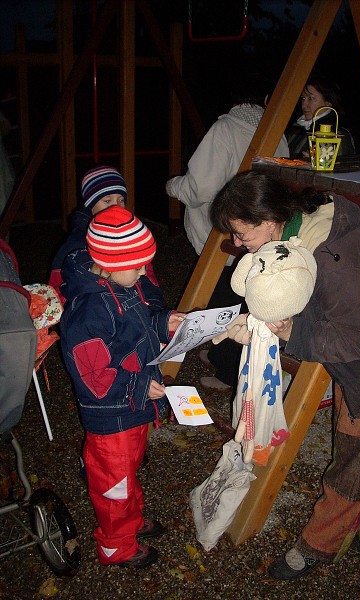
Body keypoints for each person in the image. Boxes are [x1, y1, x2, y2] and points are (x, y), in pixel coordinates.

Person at [209, 170, 360, 580]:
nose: (237, 243)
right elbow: (299, 294)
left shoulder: (337, 257)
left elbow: (356, 342)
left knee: (355, 453)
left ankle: (318, 545)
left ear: (268, 219)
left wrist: (290, 332)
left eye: (240, 232)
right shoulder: (296, 235)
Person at [59, 205, 185, 569]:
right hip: (111, 417)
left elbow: (137, 328)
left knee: (127, 472)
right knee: (113, 483)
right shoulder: (89, 312)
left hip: (130, 411)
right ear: (109, 263)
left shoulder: (119, 285)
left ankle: (130, 523)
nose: (145, 272)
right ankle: (116, 546)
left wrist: (164, 323)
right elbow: (95, 377)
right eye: (139, 265)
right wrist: (141, 384)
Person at [166, 87, 290, 391]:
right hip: (261, 231)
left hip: (221, 234)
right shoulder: (277, 133)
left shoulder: (224, 129)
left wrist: (173, 186)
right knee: (244, 293)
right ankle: (224, 353)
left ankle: (229, 369)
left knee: (225, 295)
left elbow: (201, 188)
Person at [49, 164, 158, 304]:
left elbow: (146, 277)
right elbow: (59, 292)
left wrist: (154, 306)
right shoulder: (76, 246)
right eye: (107, 201)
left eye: (121, 200)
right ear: (90, 206)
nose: (116, 207)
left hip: (134, 310)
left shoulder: (131, 236)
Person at [286, 74, 356, 160]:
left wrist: (317, 163)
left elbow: (344, 168)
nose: (304, 105)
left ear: (328, 102)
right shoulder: (295, 129)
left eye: (311, 98)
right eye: (303, 98)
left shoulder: (338, 134)